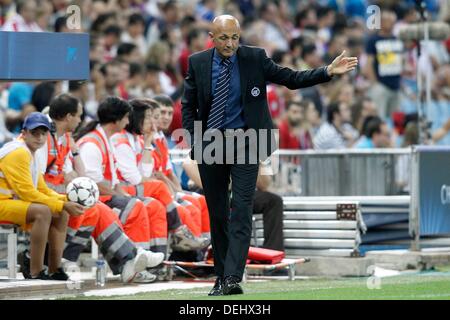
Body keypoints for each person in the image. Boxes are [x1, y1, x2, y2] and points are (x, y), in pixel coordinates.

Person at [182, 15, 357, 295]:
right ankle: (220, 275)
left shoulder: (255, 58)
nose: (230, 43)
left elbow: (290, 78)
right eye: (224, 38)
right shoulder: (198, 62)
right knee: (217, 214)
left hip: (247, 142)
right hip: (211, 144)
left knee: (241, 209)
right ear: (212, 38)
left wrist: (326, 71)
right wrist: (196, 140)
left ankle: (231, 278)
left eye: (235, 37)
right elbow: (188, 106)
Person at [36, 94, 164, 283]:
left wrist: (74, 149)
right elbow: (81, 180)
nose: (81, 120)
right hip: (51, 200)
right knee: (121, 207)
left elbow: (76, 174)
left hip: (65, 197)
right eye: (79, 115)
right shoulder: (60, 142)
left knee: (109, 208)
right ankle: (132, 259)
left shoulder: (64, 142)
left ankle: (133, 261)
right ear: (68, 116)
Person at [110, 98, 210, 252]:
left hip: (148, 189)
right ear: (138, 118)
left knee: (200, 201)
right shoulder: (123, 141)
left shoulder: (146, 140)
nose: (155, 121)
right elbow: (140, 178)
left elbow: (153, 174)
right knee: (184, 207)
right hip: (124, 190)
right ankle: (184, 247)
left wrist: (148, 142)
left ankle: (205, 254)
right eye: (152, 116)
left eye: (168, 113)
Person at [0, 112, 84, 279]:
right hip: (3, 202)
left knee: (61, 213)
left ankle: (54, 268)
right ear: (24, 133)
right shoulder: (19, 152)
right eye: (34, 133)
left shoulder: (33, 152)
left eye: (43, 133)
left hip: (11, 202)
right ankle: (35, 271)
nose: (39, 138)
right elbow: (28, 193)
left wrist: (65, 200)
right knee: (43, 212)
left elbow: (42, 189)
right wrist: (61, 203)